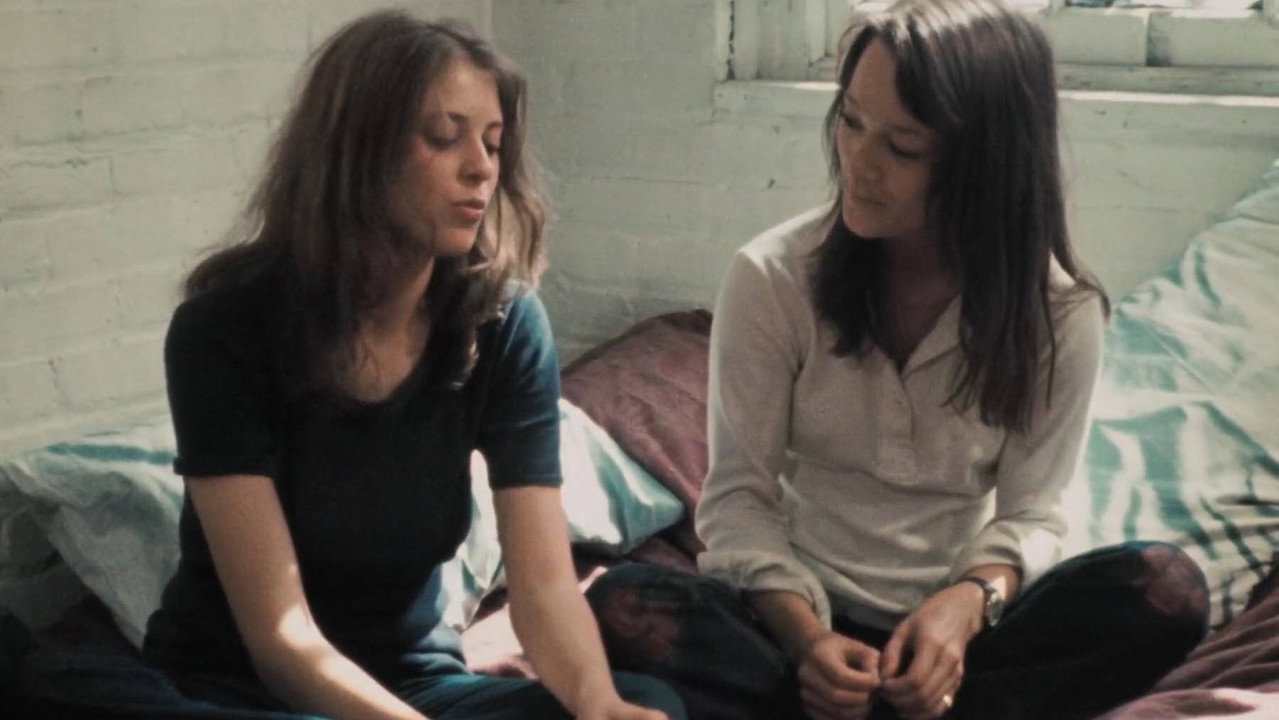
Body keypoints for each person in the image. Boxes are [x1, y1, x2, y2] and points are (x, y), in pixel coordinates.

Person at [586, 1, 1208, 719]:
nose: (859, 163)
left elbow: (1035, 514)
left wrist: (966, 603)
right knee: (621, 605)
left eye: (902, 148)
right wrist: (808, 643)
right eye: (851, 122)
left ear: (985, 164)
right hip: (796, 624)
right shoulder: (773, 279)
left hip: (966, 636)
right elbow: (738, 499)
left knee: (1167, 589)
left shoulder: (1058, 313)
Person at [142, 11, 685, 720]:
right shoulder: (222, 331)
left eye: (493, 143)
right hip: (245, 689)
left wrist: (596, 702)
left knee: (645, 701)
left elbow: (546, 588)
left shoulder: (503, 324)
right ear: (355, 149)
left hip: (414, 683)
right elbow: (282, 637)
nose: (481, 167)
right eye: (443, 136)